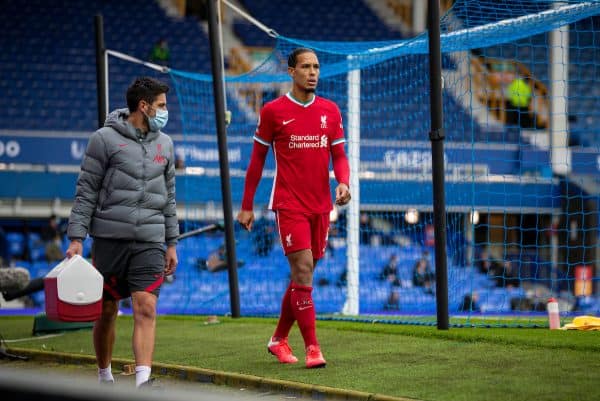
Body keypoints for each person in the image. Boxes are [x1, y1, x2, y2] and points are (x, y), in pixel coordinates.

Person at [237, 48, 351, 369]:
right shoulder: (273, 111)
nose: (312, 72)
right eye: (305, 66)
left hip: (321, 205)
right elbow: (256, 162)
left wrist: (343, 182)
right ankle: (313, 348)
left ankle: (278, 339)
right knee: (302, 271)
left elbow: (339, 156)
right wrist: (247, 206)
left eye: (316, 67)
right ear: (291, 71)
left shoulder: (330, 110)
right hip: (288, 203)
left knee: (304, 274)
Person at [65, 77, 179, 388]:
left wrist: (172, 242)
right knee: (106, 310)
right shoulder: (103, 139)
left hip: (151, 241)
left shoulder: (165, 144)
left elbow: (169, 198)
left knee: (146, 305)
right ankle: (105, 376)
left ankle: (143, 382)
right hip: (110, 240)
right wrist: (77, 238)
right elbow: (86, 191)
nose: (166, 112)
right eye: (161, 106)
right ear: (144, 106)